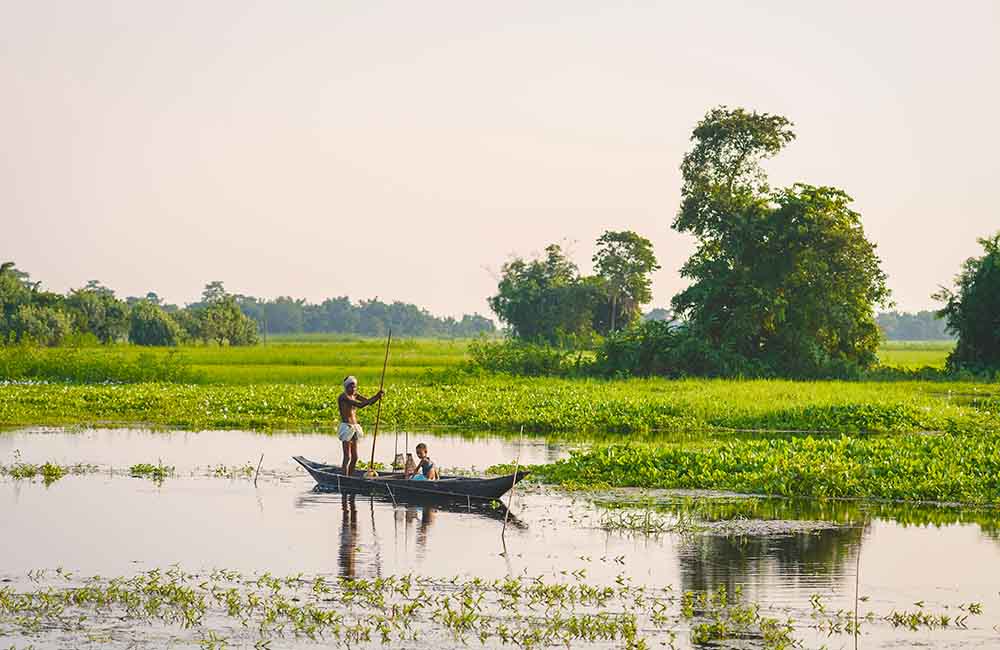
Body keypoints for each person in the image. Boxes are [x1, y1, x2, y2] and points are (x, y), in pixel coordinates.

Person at [337, 375, 383, 476]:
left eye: (355, 387)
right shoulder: (343, 397)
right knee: (347, 457)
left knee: (355, 457)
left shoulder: (355, 395)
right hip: (346, 428)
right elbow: (360, 405)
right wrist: (375, 396)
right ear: (346, 387)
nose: (353, 389)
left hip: (355, 428)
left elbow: (368, 402)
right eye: (351, 387)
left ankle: (351, 476)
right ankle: (345, 478)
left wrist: (377, 397)